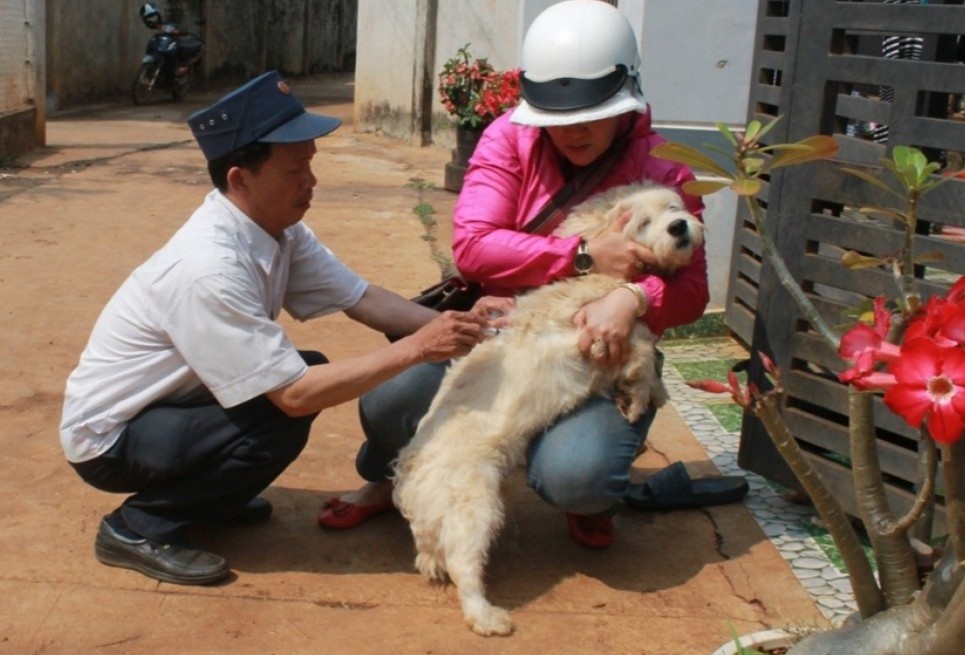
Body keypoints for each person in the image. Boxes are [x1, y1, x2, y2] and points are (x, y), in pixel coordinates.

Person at [320, 0, 747, 548]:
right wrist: (583, 257)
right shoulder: (509, 138)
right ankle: (387, 477)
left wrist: (631, 300)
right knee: (389, 400)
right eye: (558, 119)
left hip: (596, 354)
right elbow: (474, 247)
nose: (573, 131)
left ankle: (588, 488)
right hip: (500, 332)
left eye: (592, 114)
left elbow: (692, 292)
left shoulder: (663, 170)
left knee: (579, 477)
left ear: (626, 98)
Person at [59, 70, 492, 586]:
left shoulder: (278, 230)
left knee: (304, 371)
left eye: (310, 164)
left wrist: (460, 327)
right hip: (113, 438)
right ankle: (138, 526)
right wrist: (418, 349)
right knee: (285, 411)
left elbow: (362, 299)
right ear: (240, 179)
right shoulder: (207, 268)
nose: (310, 181)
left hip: (172, 406)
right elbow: (292, 397)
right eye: (294, 170)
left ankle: (212, 498)